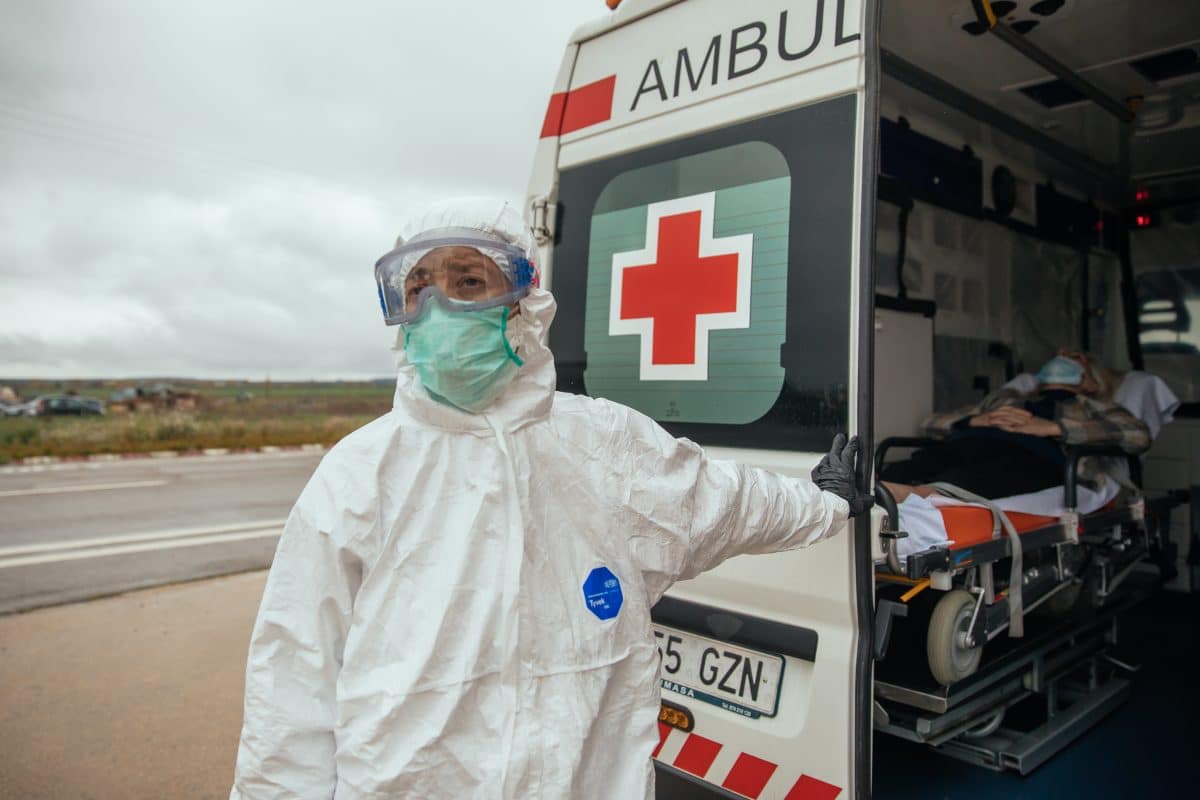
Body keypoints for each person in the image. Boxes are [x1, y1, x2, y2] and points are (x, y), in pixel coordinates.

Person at [229, 197, 870, 799]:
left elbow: (724, 502)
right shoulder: (359, 477)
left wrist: (825, 503)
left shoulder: (603, 445)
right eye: (420, 288)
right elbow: (290, 698)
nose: (440, 310)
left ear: (524, 305)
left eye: (469, 282)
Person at [880, 350, 1151, 502]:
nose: (1063, 355)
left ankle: (918, 495)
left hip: (1040, 457)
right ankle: (880, 486)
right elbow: (928, 425)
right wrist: (976, 420)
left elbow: (1137, 435)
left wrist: (1054, 429)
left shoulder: (1093, 407)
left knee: (981, 475)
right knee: (924, 461)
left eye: (1074, 357)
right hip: (977, 441)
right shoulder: (1010, 400)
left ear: (1090, 381)